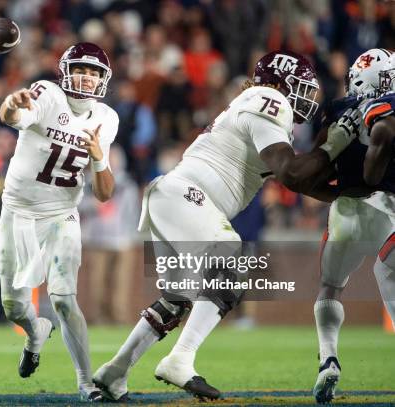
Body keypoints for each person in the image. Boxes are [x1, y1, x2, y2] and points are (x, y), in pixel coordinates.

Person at [93, 50, 361, 401]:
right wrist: (336, 142)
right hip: (188, 196)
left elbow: (303, 181)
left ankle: (114, 373)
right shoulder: (271, 99)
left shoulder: (262, 110)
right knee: (231, 258)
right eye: (301, 88)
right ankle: (181, 359)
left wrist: (350, 191)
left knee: (178, 298)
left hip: (175, 197)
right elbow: (293, 174)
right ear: (280, 83)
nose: (307, 99)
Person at [0, 42, 119, 402]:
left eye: (95, 72)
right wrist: (10, 104)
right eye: (82, 69)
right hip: (18, 210)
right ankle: (36, 332)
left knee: (65, 299)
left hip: (62, 214)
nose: (87, 77)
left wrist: (98, 160)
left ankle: (86, 383)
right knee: (13, 307)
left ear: (104, 79)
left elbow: (104, 193)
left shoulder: (107, 118)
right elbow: (12, 117)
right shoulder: (47, 94)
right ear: (66, 71)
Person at [313, 48, 395, 404]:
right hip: (388, 208)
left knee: (330, 287)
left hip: (345, 209)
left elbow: (317, 166)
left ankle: (328, 358)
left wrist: (333, 195)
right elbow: (382, 140)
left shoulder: (336, 109)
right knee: (388, 276)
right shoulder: (389, 106)